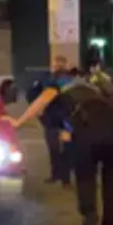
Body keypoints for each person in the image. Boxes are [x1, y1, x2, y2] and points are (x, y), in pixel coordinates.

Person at [4, 67, 113, 225]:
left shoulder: (59, 86)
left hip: (88, 131)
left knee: (85, 178)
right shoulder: (96, 87)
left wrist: (19, 122)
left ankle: (89, 214)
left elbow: (43, 100)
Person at [27, 55, 74, 188]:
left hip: (66, 120)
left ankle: (65, 179)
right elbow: (32, 94)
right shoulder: (46, 80)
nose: (58, 67)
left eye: (61, 65)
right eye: (56, 65)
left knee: (67, 150)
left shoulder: (69, 80)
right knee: (54, 149)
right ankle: (56, 175)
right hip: (51, 119)